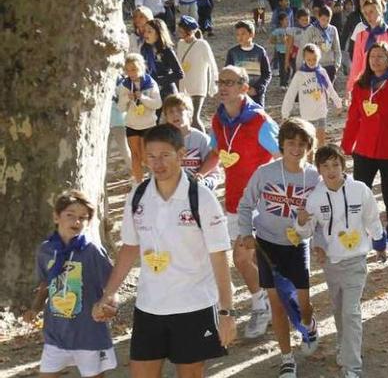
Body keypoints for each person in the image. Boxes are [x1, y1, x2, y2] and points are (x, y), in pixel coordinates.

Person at [92, 124, 236, 377]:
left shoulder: (201, 197)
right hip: (150, 306)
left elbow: (219, 256)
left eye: (165, 155)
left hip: (194, 305)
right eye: (151, 156)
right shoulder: (138, 196)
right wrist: (109, 294)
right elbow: (129, 248)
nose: (157, 163)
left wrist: (226, 312)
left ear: (181, 155)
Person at [238, 118, 322, 376]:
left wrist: (321, 243)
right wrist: (246, 233)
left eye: (302, 144)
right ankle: (287, 359)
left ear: (309, 147)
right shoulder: (265, 172)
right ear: (282, 145)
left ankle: (309, 324)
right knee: (277, 304)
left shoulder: (314, 177)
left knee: (303, 303)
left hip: (297, 245)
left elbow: (321, 214)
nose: (296, 148)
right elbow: (245, 204)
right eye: (290, 143)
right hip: (266, 245)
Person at [295, 144, 388, 378]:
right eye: (325, 166)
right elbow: (306, 232)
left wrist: (379, 243)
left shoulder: (360, 190)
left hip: (356, 261)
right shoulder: (315, 197)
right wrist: (301, 221)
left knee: (351, 312)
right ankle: (342, 345)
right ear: (318, 170)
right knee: (339, 310)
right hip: (331, 263)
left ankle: (352, 368)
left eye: (335, 164)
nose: (331, 170)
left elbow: (371, 218)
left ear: (343, 165)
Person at [210, 66, 280, 339]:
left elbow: (283, 156)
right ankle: (272, 300)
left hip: (258, 204)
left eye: (230, 82)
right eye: (220, 81)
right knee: (251, 258)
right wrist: (192, 176)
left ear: (244, 87)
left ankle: (260, 304)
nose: (223, 86)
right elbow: (216, 153)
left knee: (240, 258)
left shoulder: (259, 121)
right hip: (232, 202)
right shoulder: (219, 120)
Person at [25, 191, 117, 378]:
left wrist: (111, 307)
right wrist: (35, 308)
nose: (76, 221)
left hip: (88, 332)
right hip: (56, 332)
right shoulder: (46, 250)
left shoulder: (92, 250)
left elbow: (112, 283)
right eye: (70, 215)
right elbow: (46, 282)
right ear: (56, 217)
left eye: (83, 218)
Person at [342, 42, 388, 247]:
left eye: (380, 57)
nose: (375, 60)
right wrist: (346, 146)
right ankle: (360, 231)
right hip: (364, 150)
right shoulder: (361, 85)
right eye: (372, 56)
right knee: (360, 192)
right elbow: (353, 119)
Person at [282, 44, 344, 148]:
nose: (311, 62)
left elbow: (330, 88)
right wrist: (285, 113)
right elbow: (290, 94)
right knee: (309, 143)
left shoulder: (322, 72)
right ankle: (310, 162)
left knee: (320, 141)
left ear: (318, 57)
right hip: (307, 113)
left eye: (314, 59)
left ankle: (320, 161)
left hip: (321, 111)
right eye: (309, 59)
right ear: (304, 58)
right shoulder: (300, 75)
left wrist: (338, 103)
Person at [118, 53, 162, 183]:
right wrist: (127, 98)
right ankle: (138, 183)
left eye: (134, 69)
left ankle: (154, 181)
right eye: (128, 70)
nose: (131, 73)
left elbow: (158, 104)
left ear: (141, 67)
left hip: (148, 124)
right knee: (135, 156)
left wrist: (142, 97)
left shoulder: (150, 83)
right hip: (132, 124)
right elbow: (121, 108)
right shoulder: (125, 85)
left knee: (146, 157)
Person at [163, 94, 220, 190]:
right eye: (171, 112)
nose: (175, 114)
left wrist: (200, 176)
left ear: (190, 113)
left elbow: (213, 160)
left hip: (203, 179)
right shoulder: (164, 140)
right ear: (166, 117)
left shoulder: (201, 138)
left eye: (179, 110)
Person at [176, 16, 218, 132]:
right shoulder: (180, 44)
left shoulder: (202, 45)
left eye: (181, 30)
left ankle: (204, 143)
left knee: (194, 118)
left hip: (198, 87)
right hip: (184, 86)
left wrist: (212, 84)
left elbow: (212, 65)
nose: (179, 33)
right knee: (186, 118)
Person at [347, 0, 388, 93]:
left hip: (387, 82)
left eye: (371, 12)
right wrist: (351, 88)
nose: (368, 16)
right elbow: (356, 63)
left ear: (380, 11)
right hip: (366, 81)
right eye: (365, 13)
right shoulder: (360, 36)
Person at [225, 20, 271, 107]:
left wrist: (257, 89)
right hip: (238, 95)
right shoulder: (232, 52)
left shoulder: (260, 51)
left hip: (256, 96)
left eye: (243, 34)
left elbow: (267, 73)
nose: (240, 37)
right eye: (238, 34)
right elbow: (228, 74)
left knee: (257, 118)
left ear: (251, 34)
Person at [141, 18, 184, 102]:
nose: (145, 34)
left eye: (149, 31)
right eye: (145, 31)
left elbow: (179, 73)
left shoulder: (167, 50)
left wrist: (158, 81)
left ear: (158, 33)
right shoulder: (144, 49)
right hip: (152, 91)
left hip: (167, 92)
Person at [305, 5, 343, 82]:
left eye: (327, 20)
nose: (325, 23)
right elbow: (305, 49)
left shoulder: (333, 30)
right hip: (315, 65)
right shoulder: (311, 30)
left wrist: (336, 65)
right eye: (323, 19)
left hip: (330, 65)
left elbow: (337, 49)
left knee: (327, 92)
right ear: (318, 17)